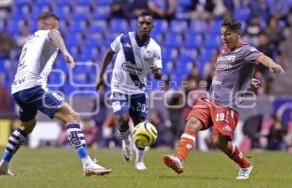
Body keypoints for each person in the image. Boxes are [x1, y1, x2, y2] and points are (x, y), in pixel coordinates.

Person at [162, 19, 284, 180]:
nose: (224, 37)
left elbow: (261, 57)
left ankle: (246, 165)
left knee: (219, 141)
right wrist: (247, 81)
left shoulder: (246, 50)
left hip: (227, 104)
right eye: (221, 34)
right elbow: (230, 75)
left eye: (228, 34)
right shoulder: (224, 51)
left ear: (237, 34)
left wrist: (272, 64)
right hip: (210, 99)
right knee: (192, 123)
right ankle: (179, 158)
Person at [0, 12, 111, 176]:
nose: (57, 27)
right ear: (47, 23)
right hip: (33, 88)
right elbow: (53, 34)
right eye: (55, 23)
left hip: (18, 89)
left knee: (28, 125)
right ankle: (87, 163)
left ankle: (3, 164)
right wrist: (65, 52)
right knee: (72, 117)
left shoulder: (30, 41)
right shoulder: (48, 33)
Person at [96, 10, 162, 170]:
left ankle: (139, 160)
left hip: (138, 91)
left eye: (148, 23)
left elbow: (159, 75)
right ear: (137, 24)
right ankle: (126, 143)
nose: (144, 26)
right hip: (118, 87)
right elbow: (108, 54)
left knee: (140, 125)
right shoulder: (123, 39)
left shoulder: (154, 48)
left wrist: (156, 73)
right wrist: (100, 75)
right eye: (142, 23)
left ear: (152, 26)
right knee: (123, 119)